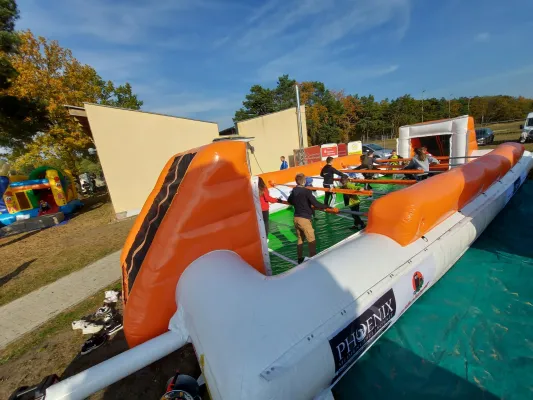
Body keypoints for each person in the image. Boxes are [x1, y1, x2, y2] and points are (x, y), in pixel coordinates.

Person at [288, 173, 332, 263]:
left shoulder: (294, 190)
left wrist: (299, 203)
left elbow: (290, 200)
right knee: (311, 240)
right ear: (304, 182)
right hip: (304, 219)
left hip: (296, 218)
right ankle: (314, 260)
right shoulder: (307, 191)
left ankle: (299, 258)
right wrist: (326, 206)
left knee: (300, 239)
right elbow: (315, 203)